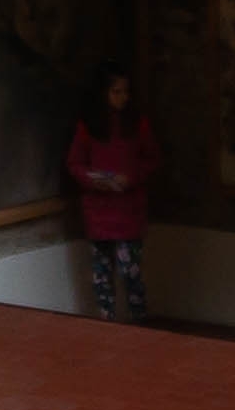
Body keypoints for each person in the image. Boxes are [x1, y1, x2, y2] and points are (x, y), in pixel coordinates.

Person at [66, 68, 165, 321]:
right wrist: (93, 178)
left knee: (130, 272)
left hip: (128, 210)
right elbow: (75, 163)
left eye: (125, 92)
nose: (122, 98)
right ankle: (106, 323)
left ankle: (138, 322)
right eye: (116, 92)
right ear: (104, 93)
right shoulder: (88, 127)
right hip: (99, 210)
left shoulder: (137, 125)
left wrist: (129, 178)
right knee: (101, 273)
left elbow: (152, 159)